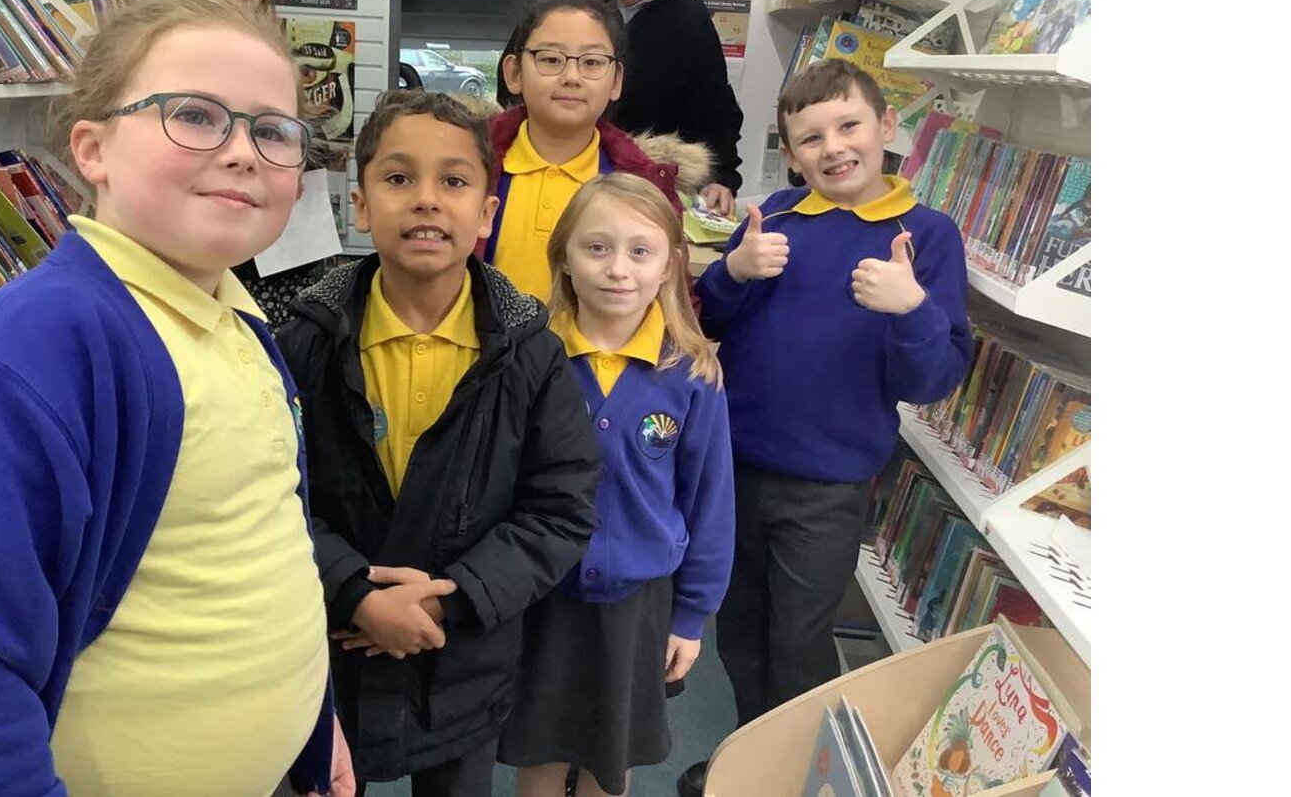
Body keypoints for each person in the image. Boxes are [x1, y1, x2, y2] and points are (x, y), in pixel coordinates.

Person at [0, 0, 352, 797]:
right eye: (196, 115)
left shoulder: (235, 318)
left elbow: (254, 546)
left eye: (274, 131)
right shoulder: (30, 351)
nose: (243, 152)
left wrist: (311, 717)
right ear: (93, 149)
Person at [276, 89, 601, 797]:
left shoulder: (531, 355)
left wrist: (447, 601)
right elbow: (273, 496)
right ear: (361, 205)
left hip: (463, 658)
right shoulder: (304, 343)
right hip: (329, 645)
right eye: (399, 178)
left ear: (486, 214)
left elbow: (559, 510)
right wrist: (354, 592)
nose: (426, 199)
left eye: (454, 181)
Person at [680, 58, 974, 795]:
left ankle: (795, 777)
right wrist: (732, 271)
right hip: (735, 470)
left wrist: (911, 308)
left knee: (800, 644)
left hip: (829, 487)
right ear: (789, 152)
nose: (834, 148)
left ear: (887, 126)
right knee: (739, 629)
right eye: (811, 138)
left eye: (849, 126)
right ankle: (754, 760)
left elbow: (932, 379)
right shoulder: (774, 218)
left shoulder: (927, 235)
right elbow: (705, 321)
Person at [497, 173, 734, 797]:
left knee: (612, 756)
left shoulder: (693, 374)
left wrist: (692, 616)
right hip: (541, 594)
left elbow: (709, 503)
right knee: (538, 751)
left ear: (668, 266)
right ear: (565, 258)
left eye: (640, 250)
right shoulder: (529, 359)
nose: (618, 269)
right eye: (597, 247)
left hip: (639, 603)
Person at [494, 0, 743, 216]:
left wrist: (722, 177)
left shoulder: (691, 21)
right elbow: (513, 86)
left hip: (639, 185)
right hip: (543, 164)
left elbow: (716, 113)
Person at [485, 0, 710, 303]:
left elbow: (675, 300)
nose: (571, 76)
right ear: (513, 73)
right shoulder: (468, 167)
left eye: (591, 62)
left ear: (616, 81)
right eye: (551, 59)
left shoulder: (644, 185)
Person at [183, 0, 341, 329]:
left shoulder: (270, 42)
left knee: (297, 332)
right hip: (222, 216)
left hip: (286, 230)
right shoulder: (182, 47)